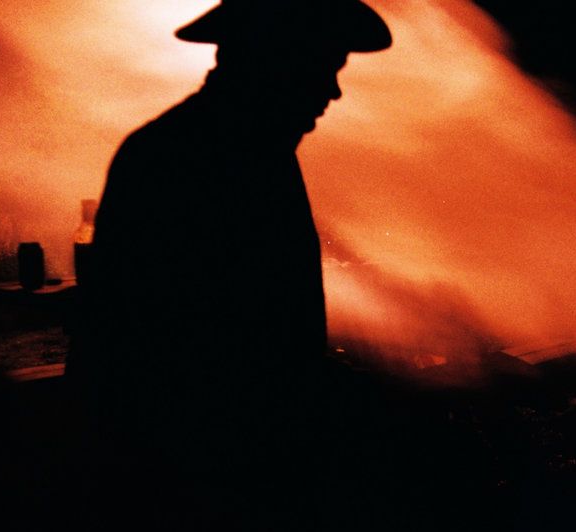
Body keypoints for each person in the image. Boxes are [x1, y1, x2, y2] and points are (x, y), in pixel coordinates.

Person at [67, 0, 392, 471]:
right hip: (195, 469)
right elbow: (198, 358)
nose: (333, 90)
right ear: (273, 61)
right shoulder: (184, 161)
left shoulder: (246, 152)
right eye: (322, 66)